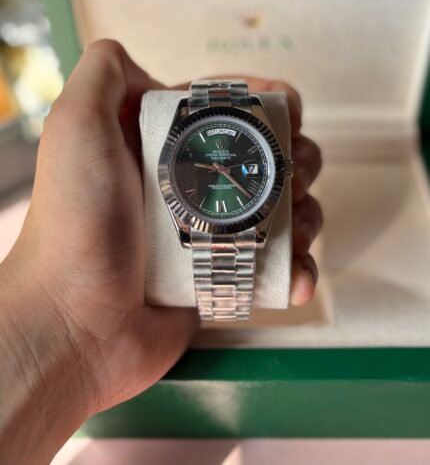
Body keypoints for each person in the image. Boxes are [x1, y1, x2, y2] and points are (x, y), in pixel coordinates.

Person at [0, 40, 322, 464]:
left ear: (279, 169)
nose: (219, 169)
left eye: (225, 167)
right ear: (166, 164)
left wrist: (71, 336)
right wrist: (70, 332)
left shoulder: (208, 163)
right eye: (213, 167)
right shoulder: (175, 164)